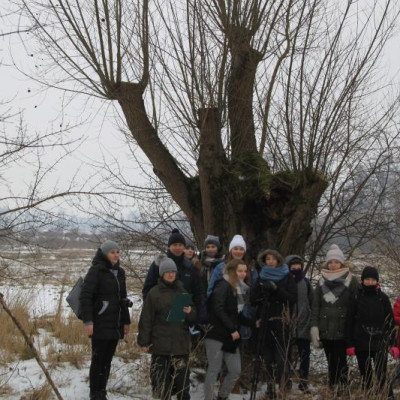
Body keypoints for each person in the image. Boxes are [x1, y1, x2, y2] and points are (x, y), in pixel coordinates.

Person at [137, 258, 196, 400]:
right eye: (167, 272)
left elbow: (193, 317)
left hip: (180, 346)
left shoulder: (182, 290)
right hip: (160, 347)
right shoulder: (154, 293)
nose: (171, 274)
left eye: (173, 272)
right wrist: (144, 342)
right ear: (162, 274)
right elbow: (146, 319)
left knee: (183, 387)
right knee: (161, 386)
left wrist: (190, 312)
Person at [80, 240, 131, 400]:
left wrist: (126, 321)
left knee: (107, 360)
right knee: (98, 360)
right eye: (112, 252)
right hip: (100, 322)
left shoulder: (120, 272)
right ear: (104, 254)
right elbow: (85, 297)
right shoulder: (96, 271)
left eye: (117, 252)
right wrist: (88, 321)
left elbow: (123, 298)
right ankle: (95, 393)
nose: (116, 255)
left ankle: (102, 390)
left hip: (115, 323)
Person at [310, 244, 358, 394]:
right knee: (330, 361)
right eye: (330, 262)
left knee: (341, 361)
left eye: (336, 262)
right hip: (325, 328)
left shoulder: (352, 280)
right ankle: (332, 386)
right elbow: (316, 306)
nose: (333, 265)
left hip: (343, 328)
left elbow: (356, 305)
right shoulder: (321, 281)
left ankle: (343, 387)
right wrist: (314, 326)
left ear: (342, 263)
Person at [345, 266, 397, 399]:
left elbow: (390, 322)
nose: (370, 282)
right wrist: (349, 344)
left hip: (380, 342)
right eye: (367, 279)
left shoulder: (383, 298)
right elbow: (349, 322)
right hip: (361, 343)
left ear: (377, 281)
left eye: (373, 279)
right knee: (366, 374)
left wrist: (394, 344)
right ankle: (369, 395)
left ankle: (388, 396)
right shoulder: (355, 297)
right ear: (362, 280)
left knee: (381, 373)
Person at [251, 249, 297, 399]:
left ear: (278, 260)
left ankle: (282, 385)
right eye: (267, 259)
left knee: (281, 357)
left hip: (281, 320)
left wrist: (277, 290)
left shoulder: (287, 276)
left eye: (273, 259)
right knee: (268, 357)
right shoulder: (261, 276)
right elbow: (253, 299)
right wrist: (262, 292)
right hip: (265, 320)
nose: (270, 261)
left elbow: (292, 298)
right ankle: (270, 386)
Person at [204, 258, 251, 400]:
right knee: (214, 370)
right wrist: (232, 329)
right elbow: (218, 309)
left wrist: (253, 322)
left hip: (230, 336)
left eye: (245, 271)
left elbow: (236, 315)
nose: (243, 274)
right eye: (239, 271)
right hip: (216, 334)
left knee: (235, 370)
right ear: (232, 271)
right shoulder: (222, 285)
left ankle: (222, 397)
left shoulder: (239, 288)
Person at [142, 228, 202, 310]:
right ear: (169, 247)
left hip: (182, 312)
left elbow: (197, 292)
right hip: (161, 311)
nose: (178, 248)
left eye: (180, 245)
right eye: (175, 245)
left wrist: (194, 312)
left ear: (184, 247)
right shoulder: (159, 264)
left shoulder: (189, 266)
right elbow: (147, 289)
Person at [285, 255, 313, 392]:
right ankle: (286, 381)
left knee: (305, 356)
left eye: (298, 267)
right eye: (293, 268)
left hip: (304, 324)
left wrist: (311, 320)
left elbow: (312, 302)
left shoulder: (306, 283)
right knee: (286, 356)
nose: (296, 270)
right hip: (288, 324)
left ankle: (303, 382)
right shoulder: (284, 282)